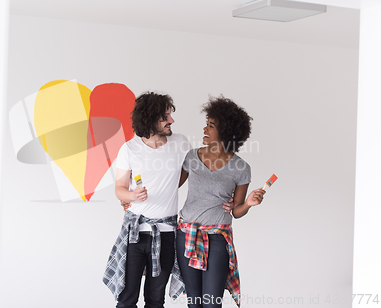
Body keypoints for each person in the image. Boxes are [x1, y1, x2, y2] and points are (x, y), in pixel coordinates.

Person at [102, 92, 192, 308]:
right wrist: (132, 196)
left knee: (155, 300)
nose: (171, 120)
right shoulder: (130, 149)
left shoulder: (180, 143)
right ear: (150, 119)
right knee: (126, 299)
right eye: (165, 117)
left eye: (170, 115)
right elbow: (120, 189)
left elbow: (187, 172)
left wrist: (170, 186)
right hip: (135, 235)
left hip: (167, 235)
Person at [176, 95, 265, 308]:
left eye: (211, 126)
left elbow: (237, 211)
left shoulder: (241, 168)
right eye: (206, 125)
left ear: (225, 132)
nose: (205, 130)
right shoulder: (191, 157)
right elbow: (170, 187)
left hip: (217, 239)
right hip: (186, 234)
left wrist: (249, 203)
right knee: (194, 301)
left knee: (212, 303)